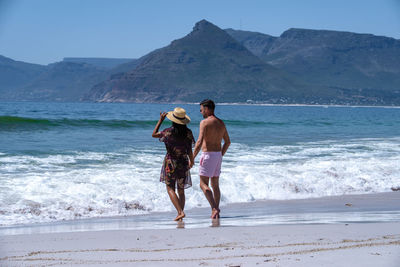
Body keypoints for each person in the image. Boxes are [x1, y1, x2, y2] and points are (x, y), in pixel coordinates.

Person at [152, 107, 195, 221]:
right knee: (181, 190)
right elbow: (190, 149)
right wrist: (192, 160)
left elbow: (154, 134)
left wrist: (160, 120)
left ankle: (180, 212)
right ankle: (180, 214)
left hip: (170, 162)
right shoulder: (188, 133)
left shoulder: (168, 132)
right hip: (183, 162)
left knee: (170, 188)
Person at [193, 99, 230, 219]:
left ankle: (214, 208)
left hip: (208, 155)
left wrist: (191, 157)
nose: (201, 112)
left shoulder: (204, 122)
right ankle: (215, 211)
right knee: (215, 185)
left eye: (201, 110)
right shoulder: (221, 123)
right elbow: (227, 142)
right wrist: (221, 155)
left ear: (207, 109)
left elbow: (199, 142)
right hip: (218, 155)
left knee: (202, 184)